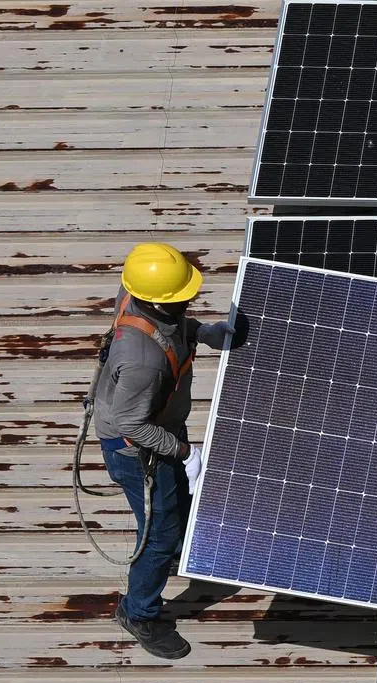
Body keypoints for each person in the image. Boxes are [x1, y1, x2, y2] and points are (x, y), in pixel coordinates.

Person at [93, 243, 233, 659]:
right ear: (160, 299)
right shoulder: (142, 361)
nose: (190, 298)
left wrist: (199, 332)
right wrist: (184, 452)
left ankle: (173, 555)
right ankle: (138, 612)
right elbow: (130, 424)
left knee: (174, 510)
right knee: (159, 533)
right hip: (136, 449)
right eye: (183, 297)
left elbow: (168, 325)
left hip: (156, 427)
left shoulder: (137, 293)